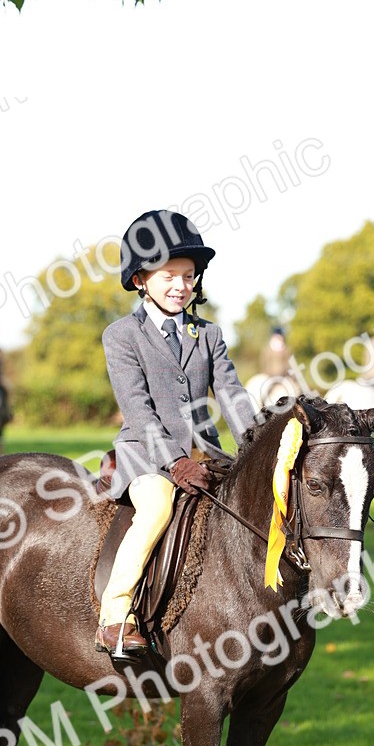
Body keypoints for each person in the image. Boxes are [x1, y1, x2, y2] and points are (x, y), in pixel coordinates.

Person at [96, 209, 256, 658]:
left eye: (188, 276)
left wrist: (257, 444)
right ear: (140, 280)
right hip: (146, 457)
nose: (180, 286)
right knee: (156, 509)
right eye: (169, 276)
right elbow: (138, 409)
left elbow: (232, 395)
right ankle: (115, 615)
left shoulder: (209, 334)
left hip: (205, 456)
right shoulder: (121, 336)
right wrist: (175, 461)